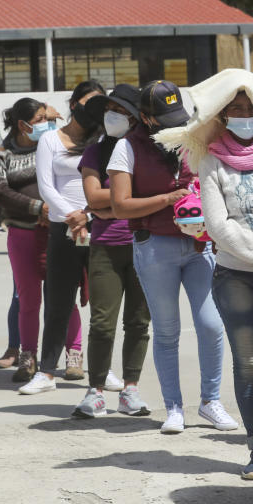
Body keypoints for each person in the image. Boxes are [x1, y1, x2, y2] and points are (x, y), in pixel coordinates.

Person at [156, 68, 253, 477]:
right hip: (236, 275)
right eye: (233, 108)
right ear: (220, 116)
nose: (242, 114)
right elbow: (217, 224)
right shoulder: (211, 160)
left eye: (248, 106)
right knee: (248, 364)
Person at [109, 80, 236, 434]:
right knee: (167, 331)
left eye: (177, 116)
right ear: (146, 117)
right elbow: (120, 205)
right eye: (164, 118)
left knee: (211, 324)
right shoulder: (126, 147)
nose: (173, 124)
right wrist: (168, 199)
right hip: (154, 246)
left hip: (200, 246)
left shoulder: (194, 139)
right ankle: (174, 408)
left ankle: (211, 401)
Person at [19, 81, 104, 395]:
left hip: (97, 225)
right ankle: (46, 372)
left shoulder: (105, 140)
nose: (90, 110)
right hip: (62, 228)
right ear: (73, 103)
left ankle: (101, 368)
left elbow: (111, 182)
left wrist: (87, 215)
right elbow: (46, 187)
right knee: (58, 302)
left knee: (103, 304)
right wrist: (73, 216)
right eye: (86, 102)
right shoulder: (50, 140)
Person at [0, 97, 84, 384]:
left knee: (65, 297)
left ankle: (74, 355)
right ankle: (28, 356)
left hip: (58, 230)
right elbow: (1, 191)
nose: (48, 123)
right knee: (28, 299)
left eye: (49, 117)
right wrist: (37, 208)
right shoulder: (2, 154)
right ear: (22, 125)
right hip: (23, 234)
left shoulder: (58, 144)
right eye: (42, 118)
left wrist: (55, 210)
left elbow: (67, 181)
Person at [72, 84, 151, 418]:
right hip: (106, 246)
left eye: (120, 111)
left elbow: (155, 192)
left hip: (144, 244)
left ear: (136, 117)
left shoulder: (148, 149)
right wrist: (126, 201)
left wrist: (117, 203)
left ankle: (130, 389)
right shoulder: (95, 152)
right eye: (109, 110)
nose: (112, 116)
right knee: (102, 322)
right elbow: (94, 199)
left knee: (138, 321)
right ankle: (96, 390)